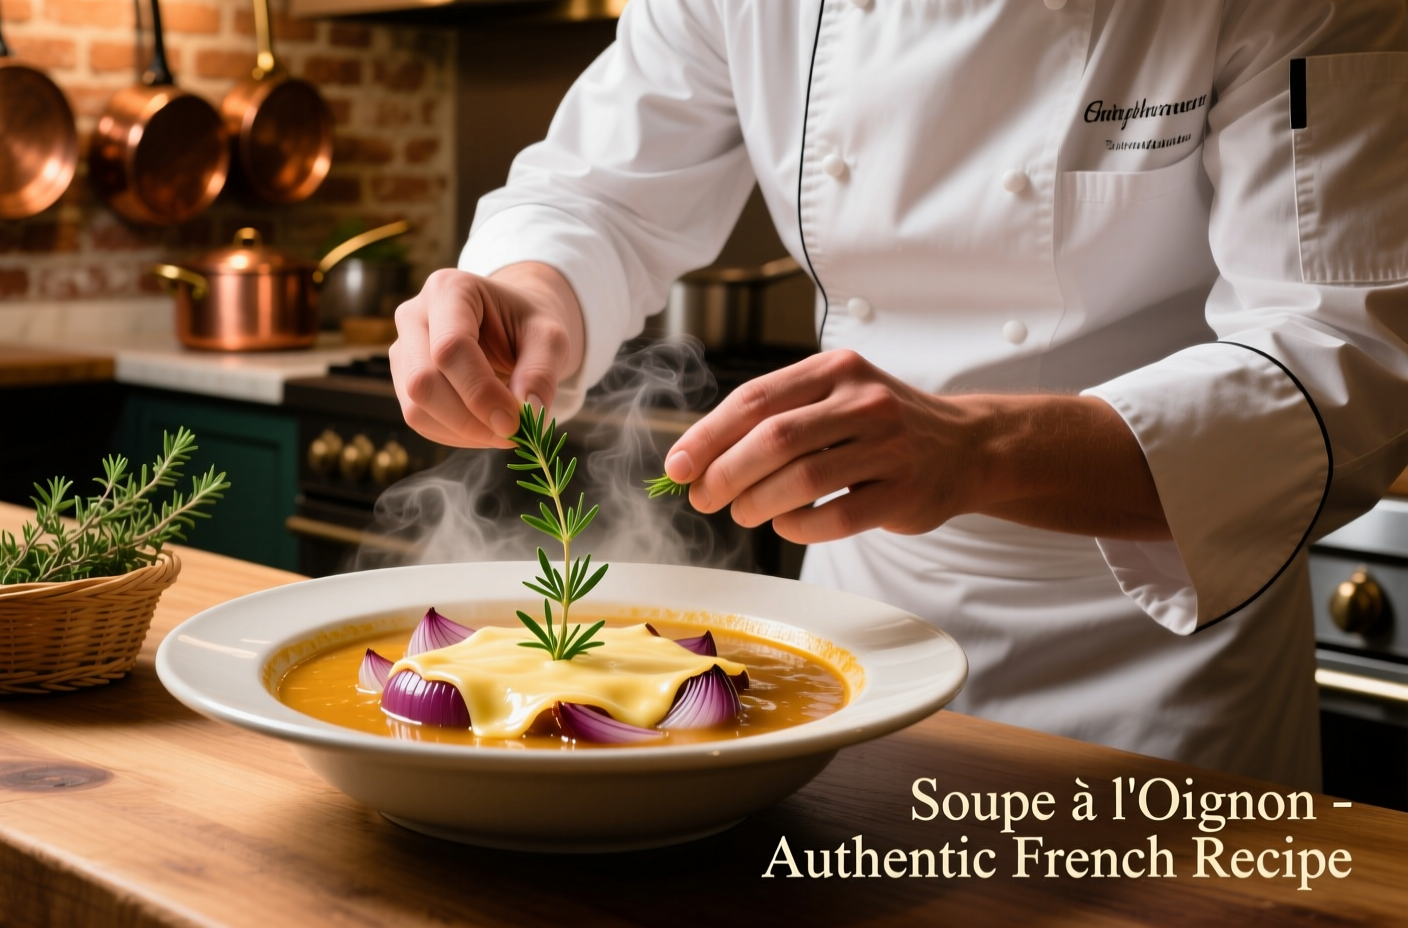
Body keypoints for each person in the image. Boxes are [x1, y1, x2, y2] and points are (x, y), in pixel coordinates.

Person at [388, 0, 1408, 788]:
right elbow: (597, 194)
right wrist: (522, 290)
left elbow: (1342, 358)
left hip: (1162, 668)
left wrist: (979, 449)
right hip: (861, 638)